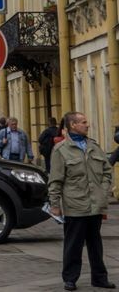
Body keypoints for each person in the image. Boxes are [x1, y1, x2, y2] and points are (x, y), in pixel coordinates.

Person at [48, 112, 116, 292]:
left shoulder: (93, 146)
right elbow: (55, 180)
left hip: (95, 205)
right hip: (75, 206)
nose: (88, 125)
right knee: (73, 245)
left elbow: (107, 172)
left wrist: (104, 190)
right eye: (83, 122)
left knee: (96, 245)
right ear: (73, 125)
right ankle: (70, 278)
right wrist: (55, 204)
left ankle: (100, 278)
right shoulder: (61, 150)